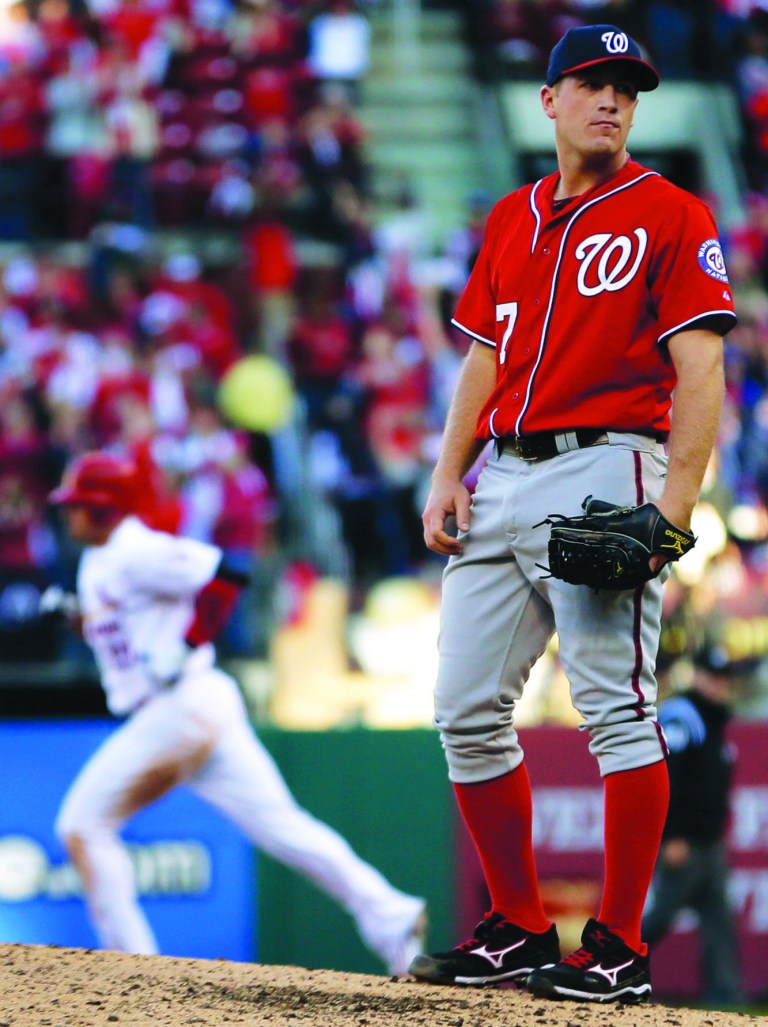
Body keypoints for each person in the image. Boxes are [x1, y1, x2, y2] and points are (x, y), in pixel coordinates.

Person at [409, 23, 737, 1004]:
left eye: (626, 90)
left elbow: (703, 367)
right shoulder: (512, 216)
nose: (611, 101)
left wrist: (674, 511)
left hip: (605, 467)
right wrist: (447, 471)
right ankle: (517, 925)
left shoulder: (672, 212)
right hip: (502, 472)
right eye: (592, 83)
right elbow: (483, 355)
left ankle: (621, 948)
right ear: (547, 101)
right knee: (465, 710)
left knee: (617, 714)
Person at [45, 450, 426, 975]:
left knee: (84, 825)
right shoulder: (99, 560)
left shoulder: (137, 550)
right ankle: (391, 916)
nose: (69, 516)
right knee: (284, 827)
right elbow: (126, 629)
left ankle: (134, 970)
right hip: (188, 710)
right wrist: (79, 621)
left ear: (107, 508)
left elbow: (226, 574)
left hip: (181, 704)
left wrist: (190, 639)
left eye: (79, 506)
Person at [642, 632, 746, 1007]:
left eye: (724, 678)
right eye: (714, 676)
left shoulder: (713, 719)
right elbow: (669, 779)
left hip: (710, 843)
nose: (721, 684)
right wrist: (671, 835)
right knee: (659, 918)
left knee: (720, 922)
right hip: (684, 842)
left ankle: (726, 999)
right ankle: (614, 966)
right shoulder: (683, 715)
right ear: (697, 675)